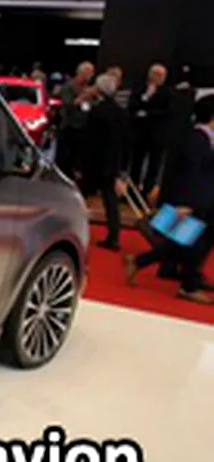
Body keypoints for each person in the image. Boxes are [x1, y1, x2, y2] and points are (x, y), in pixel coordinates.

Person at [124, 95, 214, 303]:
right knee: (191, 241)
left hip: (206, 199)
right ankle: (188, 284)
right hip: (196, 199)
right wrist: (185, 203)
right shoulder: (195, 140)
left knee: (187, 241)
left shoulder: (205, 139)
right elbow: (188, 174)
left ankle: (141, 261)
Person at [84, 73, 131, 251]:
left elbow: (90, 140)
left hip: (96, 161)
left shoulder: (97, 112)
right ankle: (114, 236)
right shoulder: (122, 113)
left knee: (80, 195)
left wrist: (81, 164)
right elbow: (127, 142)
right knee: (111, 200)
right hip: (113, 162)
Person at [128, 63, 172, 194]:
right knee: (136, 163)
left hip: (157, 134)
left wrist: (147, 113)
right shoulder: (139, 88)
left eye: (162, 76)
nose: (159, 78)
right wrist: (146, 96)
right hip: (140, 132)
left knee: (154, 165)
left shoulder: (167, 93)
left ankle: (147, 191)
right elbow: (132, 105)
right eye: (156, 74)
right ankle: (132, 190)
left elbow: (167, 111)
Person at [55, 61, 95, 178]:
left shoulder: (88, 88)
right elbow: (67, 104)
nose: (90, 76)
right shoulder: (69, 87)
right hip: (69, 126)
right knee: (65, 156)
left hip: (83, 126)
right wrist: (82, 97)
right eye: (89, 73)